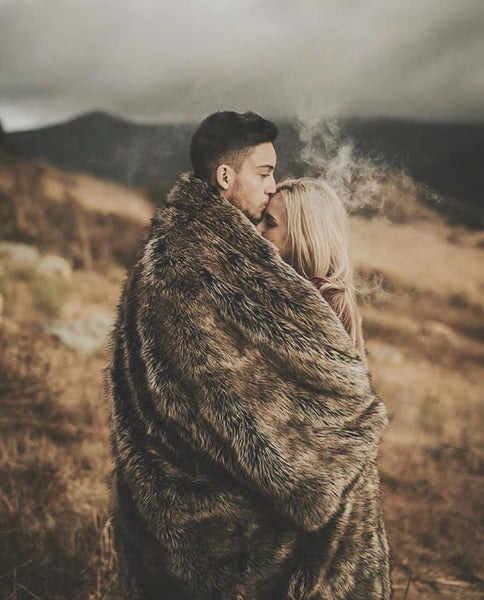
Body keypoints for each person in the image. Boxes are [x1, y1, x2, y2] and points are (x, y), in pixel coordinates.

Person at [109, 110, 391, 599]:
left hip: (184, 505)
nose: (270, 187)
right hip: (200, 521)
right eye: (264, 174)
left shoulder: (199, 251)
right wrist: (349, 435)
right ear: (226, 176)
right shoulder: (189, 264)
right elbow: (232, 406)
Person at [257, 177, 364, 354]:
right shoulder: (291, 287)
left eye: (270, 223)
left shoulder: (328, 300)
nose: (257, 229)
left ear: (303, 235)